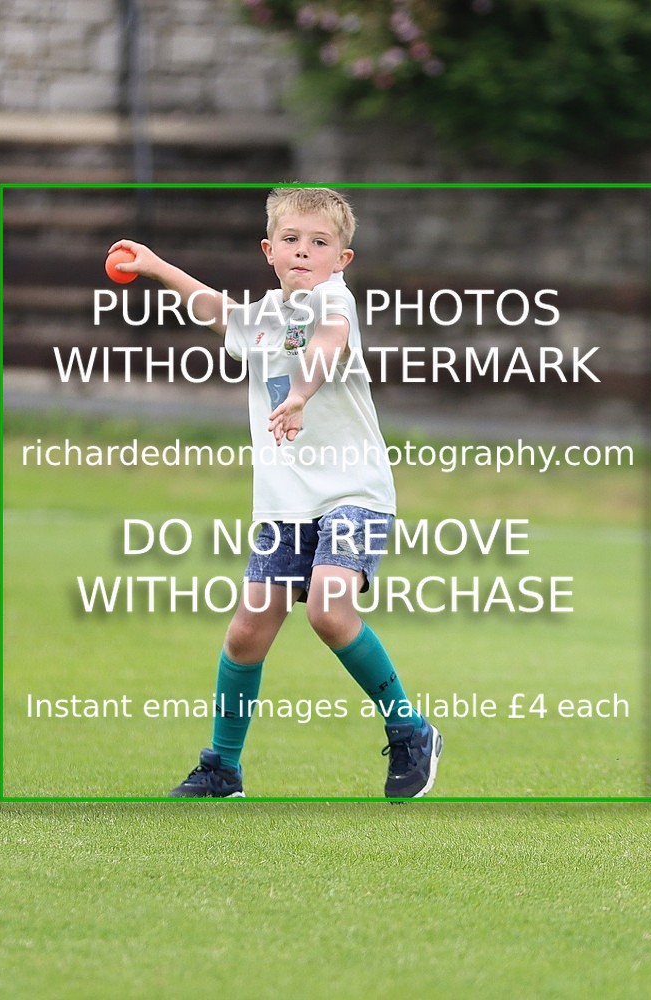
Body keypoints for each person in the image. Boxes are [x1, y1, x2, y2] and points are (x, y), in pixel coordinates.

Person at [108, 187, 442, 798]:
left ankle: (411, 731)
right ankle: (223, 768)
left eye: (320, 242)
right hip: (286, 502)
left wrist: (300, 395)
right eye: (291, 239)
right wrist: (155, 267)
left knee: (328, 610)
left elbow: (325, 347)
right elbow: (219, 313)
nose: (304, 251)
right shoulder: (265, 317)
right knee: (246, 632)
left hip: (354, 491)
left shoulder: (334, 303)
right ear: (269, 249)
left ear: (342, 259)